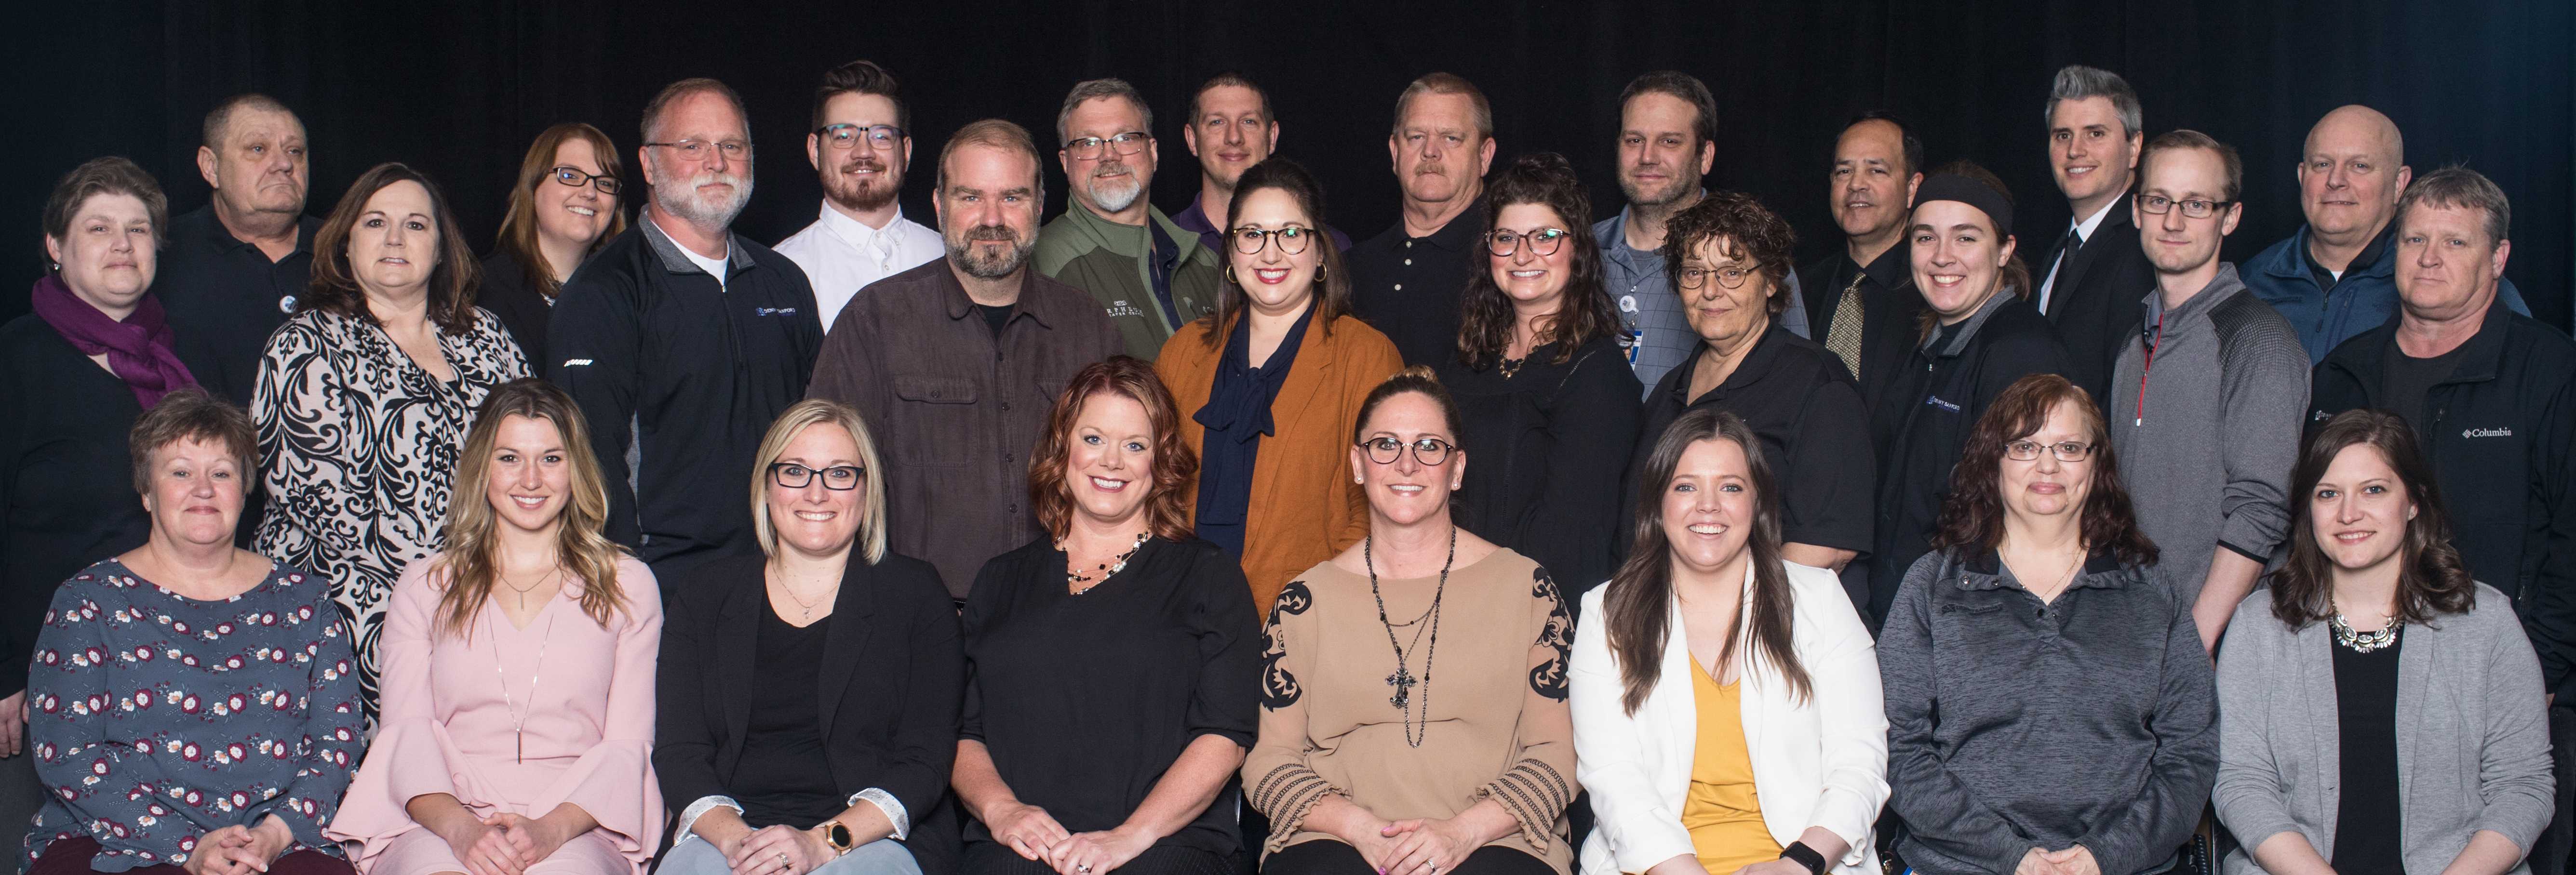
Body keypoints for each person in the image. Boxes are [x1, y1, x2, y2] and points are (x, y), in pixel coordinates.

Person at [1878, 373, 2214, 875]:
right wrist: (2011, 856)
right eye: (2025, 445)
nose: (2048, 464)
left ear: (2097, 463)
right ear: (1993, 459)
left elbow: (2190, 752)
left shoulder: (2150, 588)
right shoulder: (1933, 584)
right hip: (1962, 864)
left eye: (2069, 446)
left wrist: (2106, 856)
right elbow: (1898, 747)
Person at [323, 379, 663, 875]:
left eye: (550, 458)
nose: (530, 479)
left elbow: (628, 745)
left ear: (577, 470)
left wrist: (547, 830)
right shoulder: (426, 584)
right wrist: (465, 833)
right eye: (509, 458)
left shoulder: (626, 584)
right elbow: (406, 737)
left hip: (577, 821)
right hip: (441, 820)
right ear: (482, 468)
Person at [1244, 367, 1575, 875]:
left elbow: (1557, 754)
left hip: (1496, 840)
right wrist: (1360, 829)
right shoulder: (1303, 602)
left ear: (1457, 467)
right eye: (1385, 445)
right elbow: (1269, 763)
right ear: (1358, 463)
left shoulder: (1527, 589)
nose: (1406, 463)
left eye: (1428, 446)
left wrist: (1461, 833)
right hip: (1338, 839)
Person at [25, 387, 363, 875]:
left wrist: (273, 834)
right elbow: (67, 755)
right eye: (181, 472)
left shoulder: (305, 599)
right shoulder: (87, 600)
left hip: (279, 841)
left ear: (245, 490)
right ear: (145, 490)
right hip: (114, 837)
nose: (202, 489)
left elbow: (338, 742)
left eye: (221, 473)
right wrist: (186, 844)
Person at [2214, 409, 2555, 875]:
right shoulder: (2259, 625)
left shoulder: (2485, 621)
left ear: (2414, 501)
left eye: (2373, 489)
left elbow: (2523, 785)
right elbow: (2241, 782)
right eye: (2328, 493)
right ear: (2306, 508)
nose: (2348, 513)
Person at [954, 358, 1260, 875]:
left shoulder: (1209, 576)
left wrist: (1127, 837)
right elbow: (964, 733)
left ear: (1160, 463)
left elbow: (1225, 738)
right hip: (1021, 847)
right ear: (1062, 449)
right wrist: (1001, 810)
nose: (1111, 461)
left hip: (1167, 844)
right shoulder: (998, 580)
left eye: (1135, 445)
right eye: (1094, 438)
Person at [253, 163, 530, 719]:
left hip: (491, 583)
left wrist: (515, 572)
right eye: (376, 222)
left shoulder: (488, 336)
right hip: (347, 602)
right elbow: (324, 501)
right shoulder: (304, 345)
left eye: (416, 225)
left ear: (441, 246)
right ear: (346, 242)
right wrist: (463, 584)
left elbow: (534, 457)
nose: (396, 238)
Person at [807, 119, 1123, 599]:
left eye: (1012, 197)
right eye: (970, 197)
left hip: (1062, 621)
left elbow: (1132, 479)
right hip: (919, 629)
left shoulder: (1089, 326)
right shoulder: (875, 321)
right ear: (939, 205)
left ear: (1040, 206)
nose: (992, 218)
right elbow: (826, 484)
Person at [1572, 408, 1886, 875]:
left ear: (1757, 503)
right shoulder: (1607, 611)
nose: (1708, 505)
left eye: (1730, 486)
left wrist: (1798, 864)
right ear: (1657, 503)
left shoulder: (1820, 598)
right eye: (1685, 486)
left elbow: (1859, 763)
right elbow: (1613, 777)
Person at [655, 400, 963, 875]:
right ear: (766, 484)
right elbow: (680, 751)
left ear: (867, 489)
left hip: (865, 838)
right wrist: (743, 845)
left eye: (839, 474)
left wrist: (822, 843)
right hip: (728, 836)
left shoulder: (916, 594)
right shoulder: (704, 593)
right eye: (795, 471)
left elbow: (925, 761)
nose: (816, 493)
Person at [2309, 166, 2576, 703]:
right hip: (2356, 674)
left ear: (2497, 258)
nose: (2429, 257)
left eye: (2455, 241)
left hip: (2501, 677)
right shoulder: (2343, 374)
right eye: (2415, 239)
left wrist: (2536, 672)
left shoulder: (2548, 368)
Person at [550, 77, 824, 592]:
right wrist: (628, 589)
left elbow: (820, 429)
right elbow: (589, 460)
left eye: (732, 146)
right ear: (649, 164)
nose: (716, 162)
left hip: (788, 577)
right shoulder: (605, 293)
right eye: (692, 146)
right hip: (666, 589)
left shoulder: (783, 281)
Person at [1, 158, 190, 855]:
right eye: (100, 228)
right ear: (55, 248)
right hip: (44, 681)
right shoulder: (16, 358)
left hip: (175, 670)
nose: (122, 244)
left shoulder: (180, 360)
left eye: (138, 229)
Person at [1154, 158, 1404, 613]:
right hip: (1180, 615)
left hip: (1308, 621)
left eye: (1291, 234)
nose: (1271, 254)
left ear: (1321, 250)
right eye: (1252, 235)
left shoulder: (1366, 355)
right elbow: (1150, 490)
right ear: (1230, 253)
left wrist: (1314, 613)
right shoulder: (1183, 351)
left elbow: (1376, 508)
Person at [2106, 131, 2306, 650]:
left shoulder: (2256, 338)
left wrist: (2196, 642)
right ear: (2135, 210)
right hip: (2136, 634)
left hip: (2218, 646)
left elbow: (2263, 507)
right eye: (2158, 201)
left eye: (2196, 204)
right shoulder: (2135, 342)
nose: (2173, 221)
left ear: (2230, 217)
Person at [1625, 192, 1873, 611]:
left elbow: (1827, 549)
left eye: (1732, 272)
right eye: (1694, 272)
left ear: (1772, 280)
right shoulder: (1669, 389)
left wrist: (1716, 619)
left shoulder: (1818, 385)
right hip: (1667, 630)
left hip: (1773, 636)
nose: (1710, 291)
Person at [1863, 163, 2072, 627]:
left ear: (2004, 250)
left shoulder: (2020, 351)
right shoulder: (1929, 346)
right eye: (1925, 237)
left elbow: (2032, 517)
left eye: (1965, 238)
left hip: (1974, 630)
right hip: (1909, 622)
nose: (1942, 256)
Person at [1438, 153, 1642, 598]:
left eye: (1545, 237)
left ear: (1578, 250)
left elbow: (1574, 544)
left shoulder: (1596, 374)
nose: (1523, 254)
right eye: (1507, 237)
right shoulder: (1470, 358)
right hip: (1448, 598)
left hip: (1538, 616)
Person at [2242, 106, 2530, 362]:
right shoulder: (2253, 281)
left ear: (2399, 183)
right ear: (2302, 176)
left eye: (2360, 166)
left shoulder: (2443, 281)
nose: (2336, 180)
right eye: (2323, 165)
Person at [1597, 72, 1807, 399]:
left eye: (1670, 141)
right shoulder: (1572, 254)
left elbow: (1796, 390)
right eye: (1634, 140)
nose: (1647, 157)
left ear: (1705, 156)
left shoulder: (1755, 260)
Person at [1032, 78, 1224, 361]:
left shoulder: (1208, 264)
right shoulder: (1041, 265)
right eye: (1088, 143)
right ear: (1065, 162)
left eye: (1126, 139)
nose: (1109, 155)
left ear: (1153, 152)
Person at [155, 94, 320, 408]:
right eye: (258, 149)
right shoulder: (157, 254)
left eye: (295, 151)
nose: (285, 164)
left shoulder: (351, 251)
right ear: (211, 167)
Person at [773, 60, 944, 332]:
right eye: (843, 135)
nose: (863, 152)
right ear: (815, 150)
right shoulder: (781, 273)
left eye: (882, 136)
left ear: (906, 151)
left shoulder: (949, 257)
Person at [1348, 73, 1498, 367]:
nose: (1430, 151)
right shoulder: (1351, 268)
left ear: (1484, 155)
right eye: (1416, 137)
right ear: (1395, 152)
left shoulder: (1508, 264)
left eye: (1451, 138)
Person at [2033, 66, 2158, 402]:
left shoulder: (2145, 248)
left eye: (2095, 134)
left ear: (2134, 148)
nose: (2075, 150)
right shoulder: (2061, 249)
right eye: (2063, 135)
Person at [1795, 114, 1927, 420]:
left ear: (1912, 188)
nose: (1856, 184)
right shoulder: (1798, 289)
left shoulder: (1935, 291)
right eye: (1844, 171)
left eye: (1876, 170)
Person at [481, 122, 629, 369]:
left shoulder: (627, 299)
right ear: (533, 185)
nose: (590, 192)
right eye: (570, 176)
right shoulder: (479, 292)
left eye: (604, 182)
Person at [1171, 73, 1351, 255]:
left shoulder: (1330, 247)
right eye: (1217, 122)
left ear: (1272, 137)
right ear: (1193, 140)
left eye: (1249, 121)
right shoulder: (1161, 244)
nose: (1234, 137)